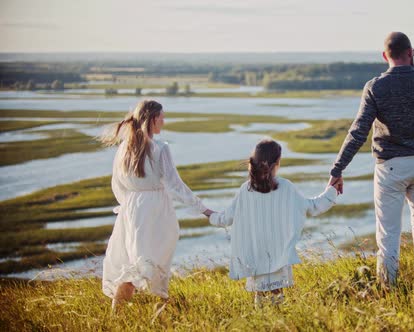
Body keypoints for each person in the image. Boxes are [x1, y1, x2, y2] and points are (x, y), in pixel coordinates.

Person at [328, 32, 414, 285]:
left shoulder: (375, 87)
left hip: (390, 168)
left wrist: (337, 170)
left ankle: (389, 288)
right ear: (412, 53)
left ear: (385, 56)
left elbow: (358, 132)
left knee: (388, 235)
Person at [100, 99, 212, 310]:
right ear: (152, 119)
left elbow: (117, 184)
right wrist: (203, 209)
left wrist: (128, 207)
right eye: (161, 117)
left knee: (133, 265)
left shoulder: (123, 148)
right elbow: (175, 185)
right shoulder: (160, 148)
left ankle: (120, 318)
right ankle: (161, 312)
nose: (164, 121)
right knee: (152, 263)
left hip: (131, 211)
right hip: (155, 212)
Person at [208, 139, 338, 307]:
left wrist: (207, 213)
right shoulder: (286, 187)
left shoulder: (245, 190)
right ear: (277, 162)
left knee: (260, 297)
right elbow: (312, 207)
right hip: (279, 254)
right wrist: (332, 190)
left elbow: (225, 219)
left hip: (255, 254)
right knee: (278, 297)